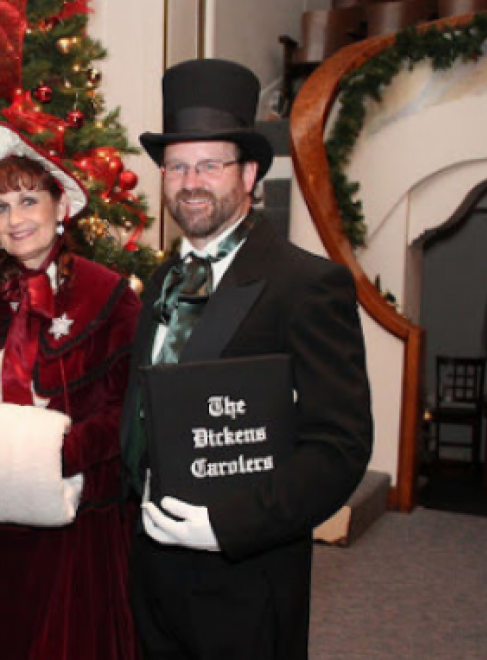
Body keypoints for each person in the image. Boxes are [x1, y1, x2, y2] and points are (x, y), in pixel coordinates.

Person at [120, 59, 373, 660]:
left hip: (244, 580)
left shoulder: (307, 285)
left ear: (251, 171)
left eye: (210, 164)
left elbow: (338, 450)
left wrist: (225, 527)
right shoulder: (160, 283)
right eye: (177, 166)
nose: (190, 181)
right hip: (152, 569)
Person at [0, 122, 142, 660]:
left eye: (28, 199)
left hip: (76, 521)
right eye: (0, 207)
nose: (16, 219)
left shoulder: (111, 298)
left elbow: (129, 409)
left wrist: (56, 456)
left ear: (59, 204)